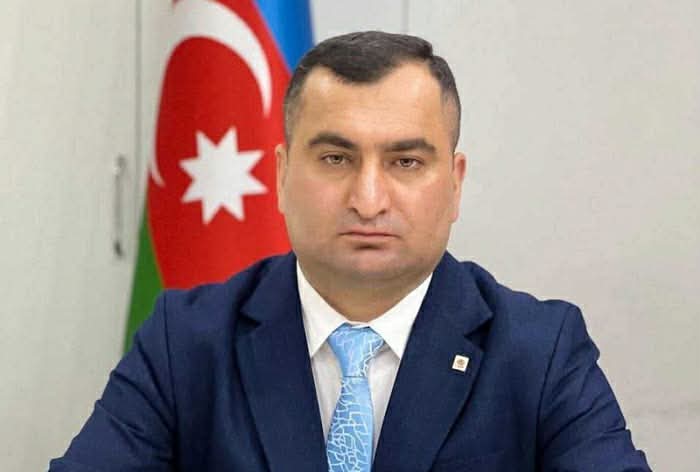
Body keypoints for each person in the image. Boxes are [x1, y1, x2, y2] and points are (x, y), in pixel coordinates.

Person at [50, 31, 651, 471]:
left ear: (455, 183)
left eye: (405, 162)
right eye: (336, 158)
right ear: (282, 176)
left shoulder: (539, 351)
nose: (368, 200)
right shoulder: (186, 342)